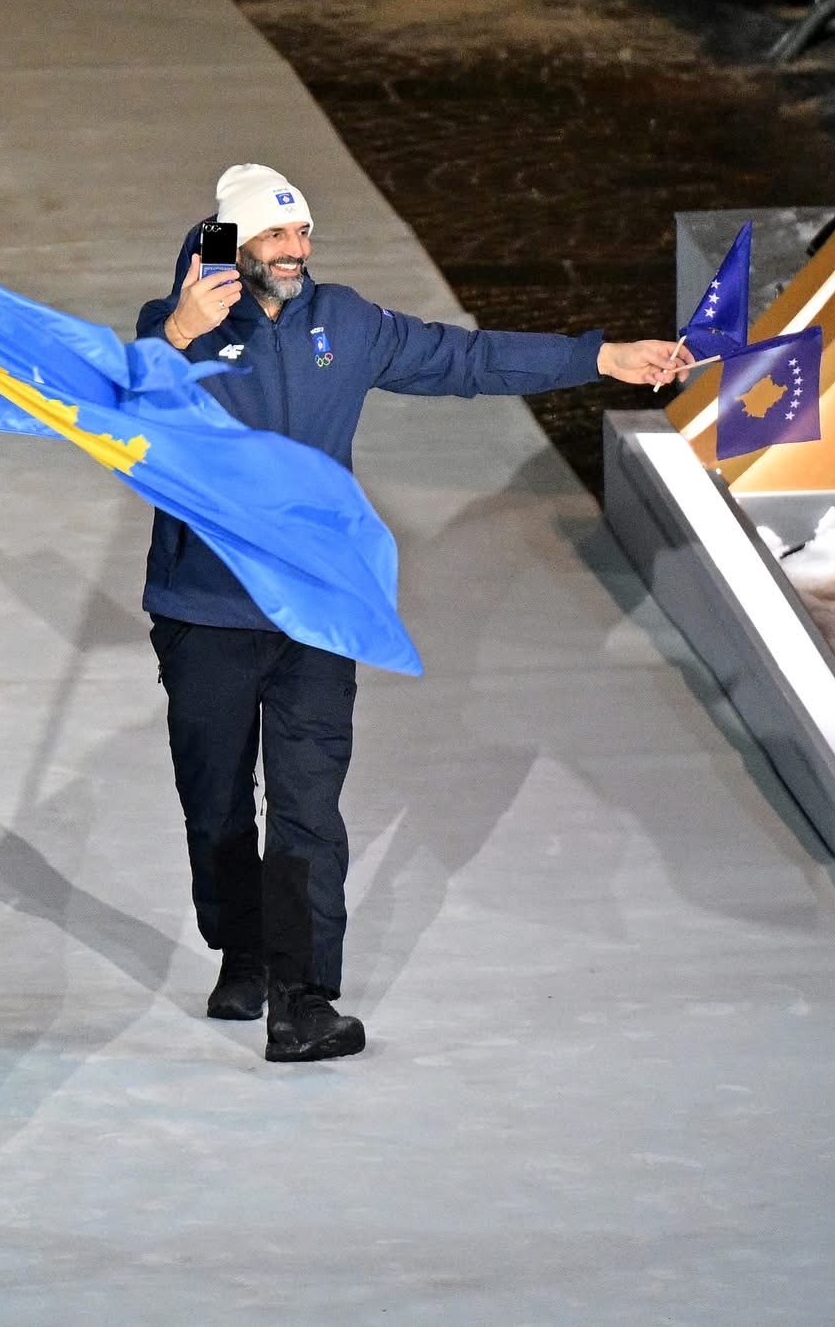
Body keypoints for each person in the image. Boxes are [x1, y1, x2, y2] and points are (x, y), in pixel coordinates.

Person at [135, 163, 690, 1062]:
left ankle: (302, 995)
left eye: (303, 232)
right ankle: (244, 948)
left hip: (319, 608)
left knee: (310, 806)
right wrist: (176, 334)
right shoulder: (173, 331)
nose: (296, 251)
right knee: (216, 805)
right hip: (207, 610)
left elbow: (461, 360)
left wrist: (600, 358)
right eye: (275, 237)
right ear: (232, 245)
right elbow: (124, 407)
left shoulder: (344, 321)